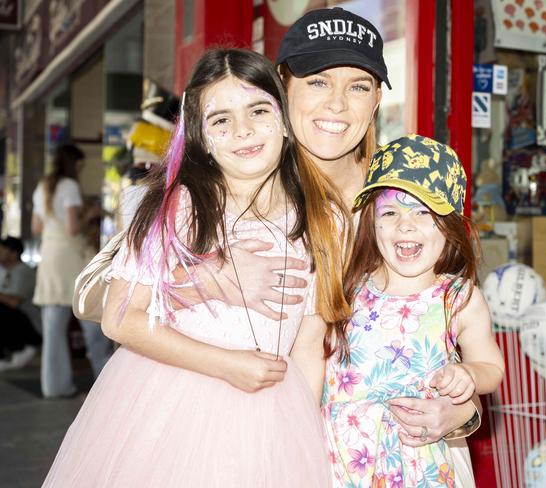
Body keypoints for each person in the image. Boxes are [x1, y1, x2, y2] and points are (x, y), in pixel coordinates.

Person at [43, 47, 348, 487]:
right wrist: (224, 359)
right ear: (202, 137)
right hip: (170, 402)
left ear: (284, 118)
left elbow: (308, 339)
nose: (243, 131)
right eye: (220, 120)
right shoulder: (178, 205)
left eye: (258, 110)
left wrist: (308, 436)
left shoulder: (322, 217)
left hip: (273, 411)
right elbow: (119, 317)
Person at [275, 6, 484, 474]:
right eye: (318, 81)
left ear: (376, 101)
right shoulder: (251, 193)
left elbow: (441, 330)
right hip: (275, 442)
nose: (337, 104)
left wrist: (459, 412)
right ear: (282, 85)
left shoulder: (400, 195)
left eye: (358, 86)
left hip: (405, 461)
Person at [322, 134, 505, 486]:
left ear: (452, 228)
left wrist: (469, 374)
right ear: (371, 224)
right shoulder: (348, 287)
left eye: (423, 211)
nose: (406, 224)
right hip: (343, 462)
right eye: (390, 212)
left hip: (420, 467)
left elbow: (492, 367)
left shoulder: (459, 298)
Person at [32, 144, 113, 398]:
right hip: (71, 258)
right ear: (73, 164)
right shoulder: (69, 186)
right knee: (92, 322)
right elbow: (72, 228)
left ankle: (54, 386)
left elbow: (36, 227)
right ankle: (106, 385)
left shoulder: (41, 187)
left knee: (53, 330)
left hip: (49, 258)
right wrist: (91, 214)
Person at [0, 236, 41, 371]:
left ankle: (24, 347)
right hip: (17, 320)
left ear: (14, 253)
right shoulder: (4, 271)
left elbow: (14, 302)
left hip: (30, 324)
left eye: (2, 249)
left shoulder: (23, 271)